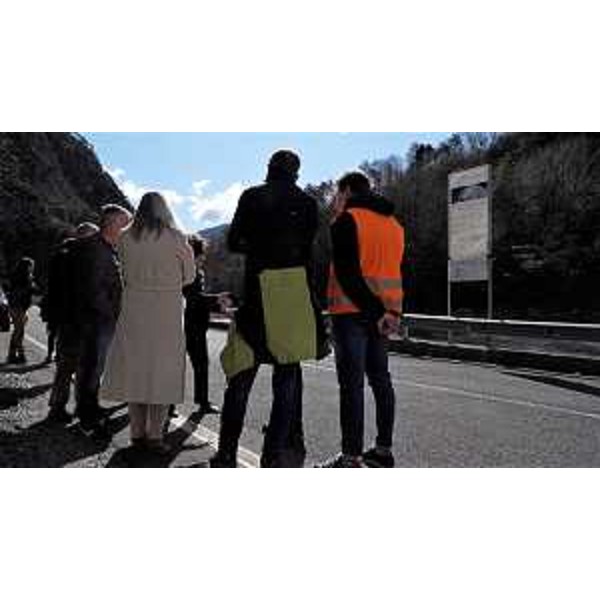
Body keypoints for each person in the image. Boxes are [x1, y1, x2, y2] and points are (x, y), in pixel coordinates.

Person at [210, 149, 326, 468]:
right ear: (296, 172)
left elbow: (234, 241)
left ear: (269, 168)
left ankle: (226, 454)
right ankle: (273, 456)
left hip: (258, 294)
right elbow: (308, 255)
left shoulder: (252, 196)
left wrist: (259, 247)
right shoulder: (308, 203)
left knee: (240, 378)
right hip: (293, 296)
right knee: (286, 380)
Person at [319, 172, 405, 468]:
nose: (335, 200)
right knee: (381, 381)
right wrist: (390, 313)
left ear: (345, 191)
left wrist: (376, 312)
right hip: (385, 315)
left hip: (352, 314)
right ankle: (383, 450)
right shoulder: (394, 225)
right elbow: (394, 271)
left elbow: (348, 275)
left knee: (352, 386)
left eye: (337, 194)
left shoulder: (346, 220)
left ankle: (351, 457)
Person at [100, 192, 195, 453]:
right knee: (161, 374)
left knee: (136, 373)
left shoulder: (125, 238)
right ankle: (155, 437)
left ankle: (136, 434)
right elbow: (189, 276)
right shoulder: (176, 238)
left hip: (134, 309)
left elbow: (123, 272)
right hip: (166, 312)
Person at [73, 206, 132, 437]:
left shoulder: (106, 248)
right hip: (96, 320)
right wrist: (111, 314)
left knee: (94, 368)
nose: (127, 229)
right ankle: (86, 418)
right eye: (125, 224)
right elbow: (94, 290)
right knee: (91, 368)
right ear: (113, 224)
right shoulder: (96, 250)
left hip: (99, 319)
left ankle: (90, 408)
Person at [46, 222, 100, 424]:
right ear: (85, 236)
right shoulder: (78, 257)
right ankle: (70, 407)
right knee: (77, 366)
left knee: (67, 366)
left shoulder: (62, 254)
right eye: (93, 237)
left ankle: (60, 406)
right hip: (77, 320)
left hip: (66, 319)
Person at [183, 234, 230, 416]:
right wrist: (217, 299)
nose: (203, 257)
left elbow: (198, 301)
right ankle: (170, 404)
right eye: (201, 253)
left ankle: (202, 401)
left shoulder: (197, 272)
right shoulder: (185, 273)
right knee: (181, 366)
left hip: (196, 325)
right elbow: (193, 299)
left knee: (201, 364)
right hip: (186, 325)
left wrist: (218, 305)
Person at [6, 257, 38, 364]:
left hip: (19, 306)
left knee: (19, 330)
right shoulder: (22, 278)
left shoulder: (24, 277)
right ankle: (17, 354)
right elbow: (22, 291)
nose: (32, 268)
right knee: (19, 331)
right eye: (31, 266)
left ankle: (14, 354)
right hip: (17, 306)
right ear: (26, 267)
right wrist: (31, 286)